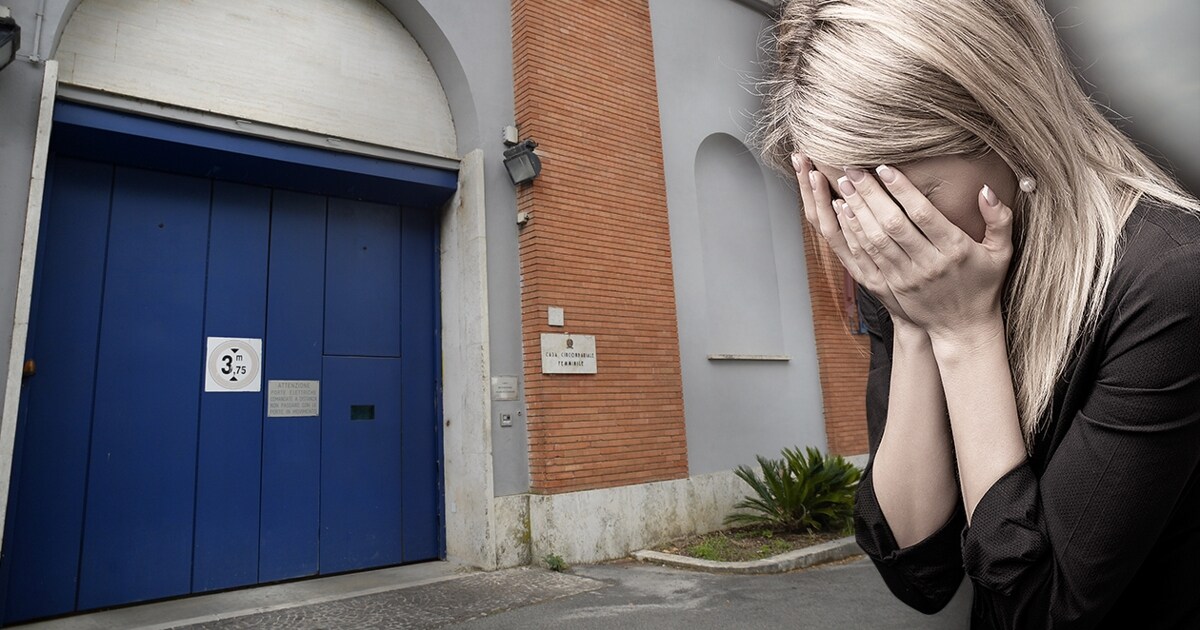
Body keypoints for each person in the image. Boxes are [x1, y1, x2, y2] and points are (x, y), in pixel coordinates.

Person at [752, 0, 1200, 628]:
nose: (880, 234)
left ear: (1010, 129)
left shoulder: (1169, 281)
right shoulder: (923, 275)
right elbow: (919, 571)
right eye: (849, 198)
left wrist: (965, 332)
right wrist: (911, 324)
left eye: (907, 195)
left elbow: (1040, 611)